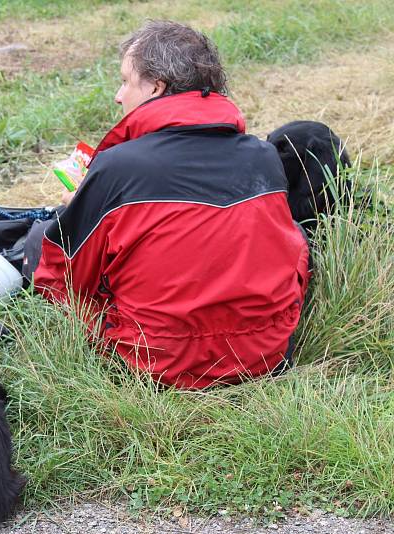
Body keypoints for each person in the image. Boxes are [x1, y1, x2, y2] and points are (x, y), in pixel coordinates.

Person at [29, 20, 311, 388]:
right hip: (264, 356)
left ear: (156, 88)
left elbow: (64, 278)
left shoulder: (118, 167)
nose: (118, 94)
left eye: (126, 81)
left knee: (40, 239)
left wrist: (76, 211)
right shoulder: (263, 157)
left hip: (157, 365)